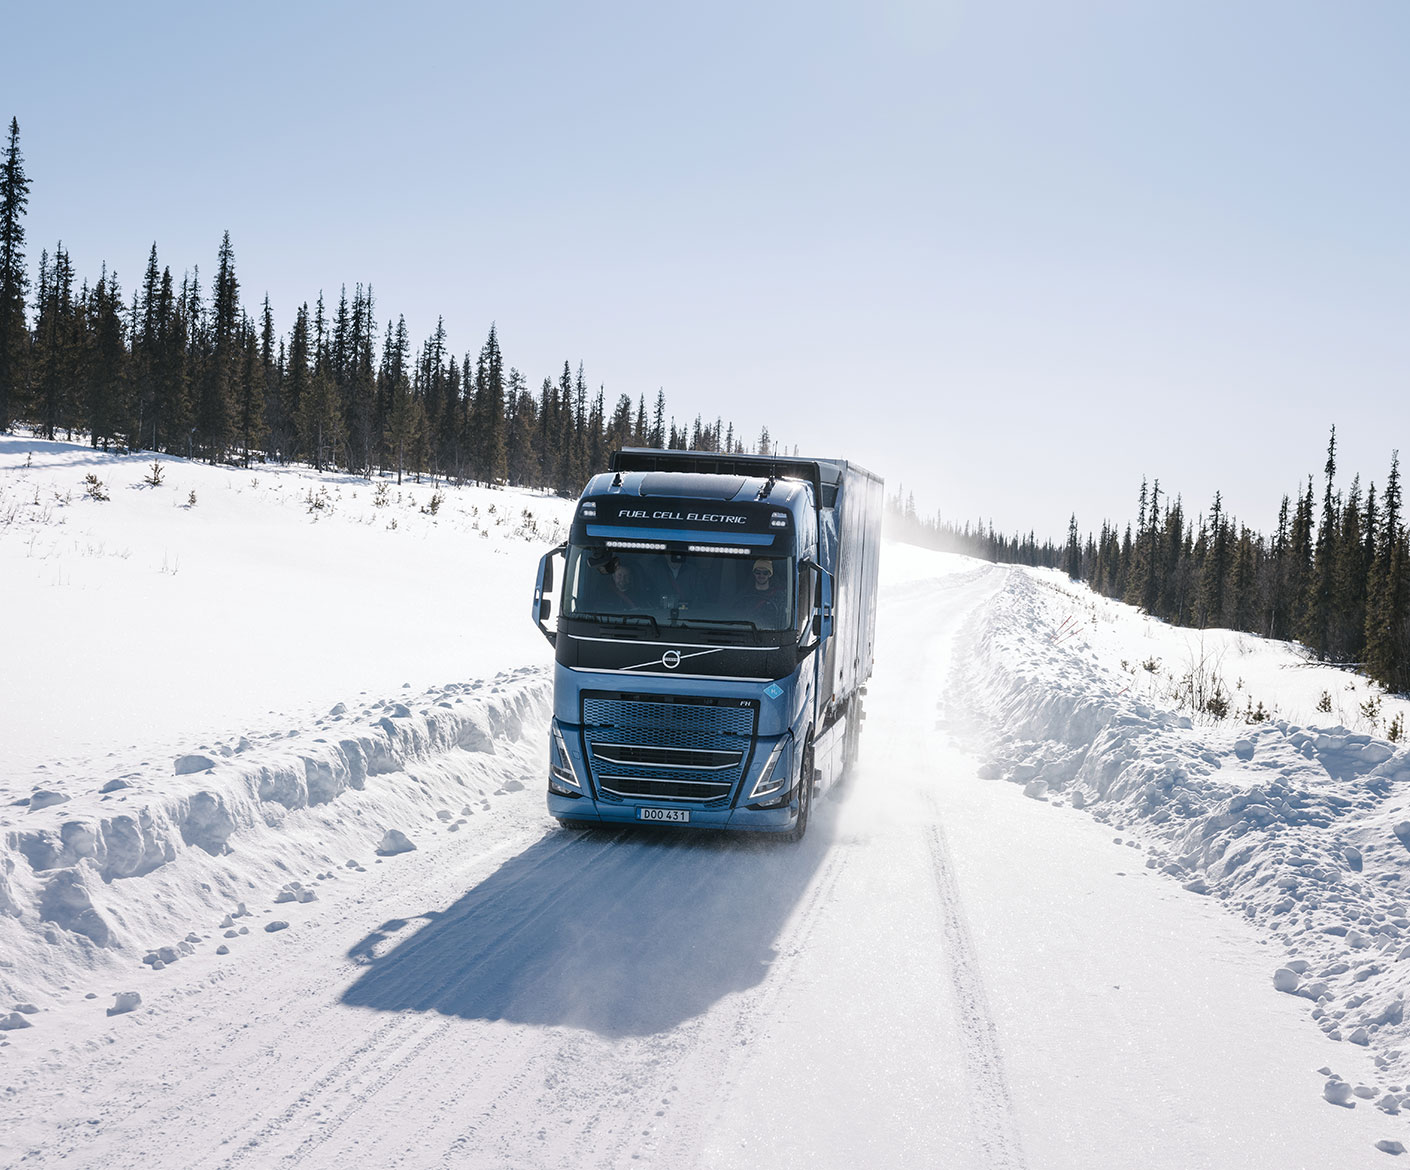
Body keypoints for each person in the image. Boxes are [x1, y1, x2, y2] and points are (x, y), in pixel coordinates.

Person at [738, 558, 786, 626]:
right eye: (758, 572)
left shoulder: (778, 595)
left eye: (765, 573)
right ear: (754, 573)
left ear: (770, 574)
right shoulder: (745, 595)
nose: (761, 575)